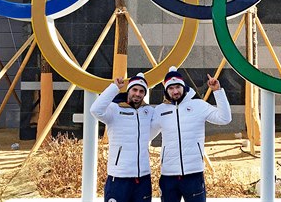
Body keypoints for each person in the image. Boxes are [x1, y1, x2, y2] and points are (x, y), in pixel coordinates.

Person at [151, 66, 232, 202]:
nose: (175, 91)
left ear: (184, 87)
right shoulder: (160, 110)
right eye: (171, 88)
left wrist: (217, 91)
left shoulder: (198, 105)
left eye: (178, 87)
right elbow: (145, 136)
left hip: (193, 174)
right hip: (168, 175)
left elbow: (225, 118)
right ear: (166, 90)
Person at [90, 73, 153, 202]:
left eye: (141, 91)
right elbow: (95, 110)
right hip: (119, 177)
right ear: (129, 90)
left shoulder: (148, 111)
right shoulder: (114, 109)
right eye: (134, 89)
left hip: (143, 177)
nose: (137, 94)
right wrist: (114, 88)